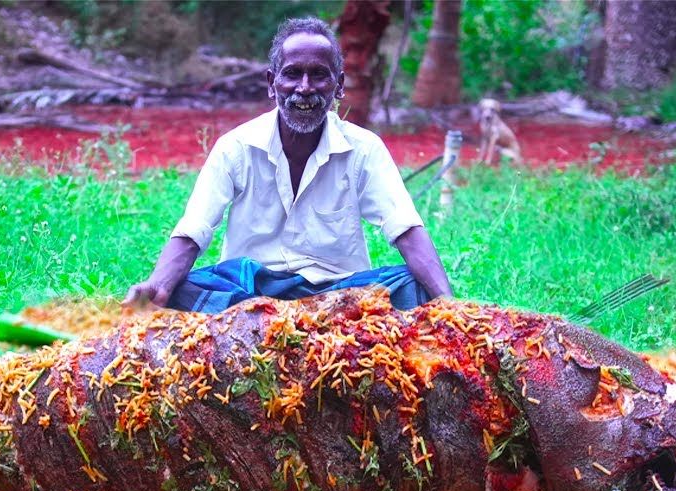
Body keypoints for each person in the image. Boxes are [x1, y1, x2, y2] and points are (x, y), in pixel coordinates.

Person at [125, 17, 453, 312]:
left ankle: (282, 329)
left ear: (338, 85)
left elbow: (406, 230)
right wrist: (160, 285)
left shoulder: (364, 149)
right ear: (272, 83)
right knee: (179, 289)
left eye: (319, 76)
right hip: (249, 297)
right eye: (293, 74)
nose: (305, 88)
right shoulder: (235, 147)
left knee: (415, 286)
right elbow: (194, 230)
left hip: (339, 297)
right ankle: (271, 324)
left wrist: (450, 304)